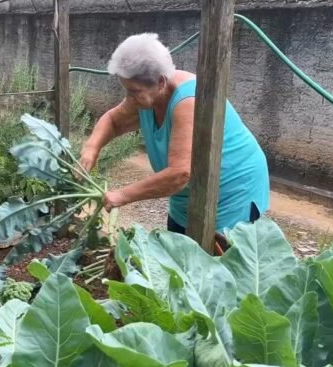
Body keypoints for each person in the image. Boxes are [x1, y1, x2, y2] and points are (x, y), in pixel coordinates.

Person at [79, 33, 270, 241]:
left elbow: (179, 174)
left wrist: (122, 195)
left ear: (161, 82)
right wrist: (91, 149)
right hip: (187, 195)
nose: (129, 98)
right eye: (126, 90)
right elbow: (114, 121)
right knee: (180, 250)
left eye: (134, 91)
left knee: (217, 262)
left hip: (231, 191)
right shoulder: (146, 97)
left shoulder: (189, 101)